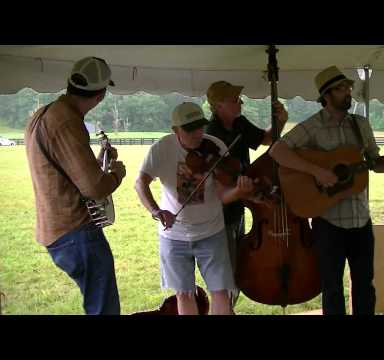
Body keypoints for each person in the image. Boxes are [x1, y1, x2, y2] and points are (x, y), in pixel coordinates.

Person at [269, 66, 384, 315]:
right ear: (326, 95)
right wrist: (317, 171)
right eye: (341, 89)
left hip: (360, 219)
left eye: (348, 87)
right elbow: (278, 151)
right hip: (328, 222)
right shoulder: (313, 126)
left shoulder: (360, 125)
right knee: (331, 288)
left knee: (365, 286)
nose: (348, 92)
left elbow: (376, 164)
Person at [24, 56, 126, 315]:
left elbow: (67, 171)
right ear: (101, 94)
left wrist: (101, 160)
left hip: (55, 230)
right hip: (77, 233)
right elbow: (94, 188)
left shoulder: (43, 114)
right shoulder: (68, 120)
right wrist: (116, 173)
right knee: (104, 309)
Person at [135, 102, 255, 315]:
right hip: (173, 235)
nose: (198, 133)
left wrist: (238, 192)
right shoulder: (162, 148)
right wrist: (156, 211)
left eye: (200, 126)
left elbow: (222, 195)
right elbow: (140, 183)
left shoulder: (215, 145)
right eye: (190, 129)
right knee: (184, 293)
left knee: (221, 291)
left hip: (211, 232)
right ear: (175, 130)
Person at [204, 80, 288, 306]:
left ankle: (228, 307)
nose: (240, 102)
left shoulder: (239, 123)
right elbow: (217, 181)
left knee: (236, 267)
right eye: (234, 100)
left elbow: (266, 139)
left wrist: (280, 121)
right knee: (225, 274)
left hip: (239, 206)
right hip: (219, 214)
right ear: (219, 105)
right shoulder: (210, 134)